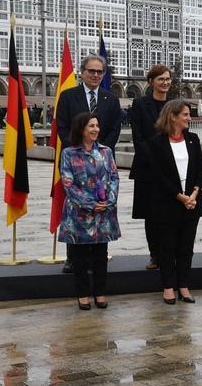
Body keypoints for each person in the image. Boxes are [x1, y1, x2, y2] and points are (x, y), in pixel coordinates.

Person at [55, 54, 122, 274]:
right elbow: (63, 126)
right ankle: (72, 258)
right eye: (91, 71)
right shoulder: (67, 96)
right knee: (76, 212)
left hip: (102, 165)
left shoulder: (110, 99)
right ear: (82, 73)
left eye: (99, 72)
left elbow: (114, 129)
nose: (95, 75)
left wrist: (99, 151)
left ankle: (97, 257)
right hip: (75, 163)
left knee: (99, 211)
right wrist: (78, 150)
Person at [58, 112, 120, 310]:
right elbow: (68, 183)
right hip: (78, 214)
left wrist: (109, 201)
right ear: (81, 129)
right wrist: (90, 204)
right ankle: (83, 295)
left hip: (103, 214)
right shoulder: (69, 153)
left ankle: (100, 293)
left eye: (97, 126)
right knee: (79, 257)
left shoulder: (106, 152)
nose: (96, 129)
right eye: (91, 126)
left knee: (101, 256)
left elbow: (114, 177)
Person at [148, 100, 202, 304]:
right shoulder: (157, 142)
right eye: (186, 115)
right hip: (167, 204)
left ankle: (184, 285)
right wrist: (179, 196)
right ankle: (169, 286)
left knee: (186, 248)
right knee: (167, 247)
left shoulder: (193, 139)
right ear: (173, 116)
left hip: (192, 203)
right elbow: (158, 175)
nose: (189, 118)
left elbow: (199, 170)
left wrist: (194, 194)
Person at [129, 64, 172, 270]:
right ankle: (155, 254)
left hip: (172, 169)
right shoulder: (139, 104)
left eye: (167, 79)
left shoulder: (174, 105)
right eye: (161, 79)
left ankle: (168, 253)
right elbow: (139, 138)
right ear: (151, 82)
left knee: (169, 213)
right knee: (151, 214)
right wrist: (158, 160)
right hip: (147, 168)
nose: (165, 83)